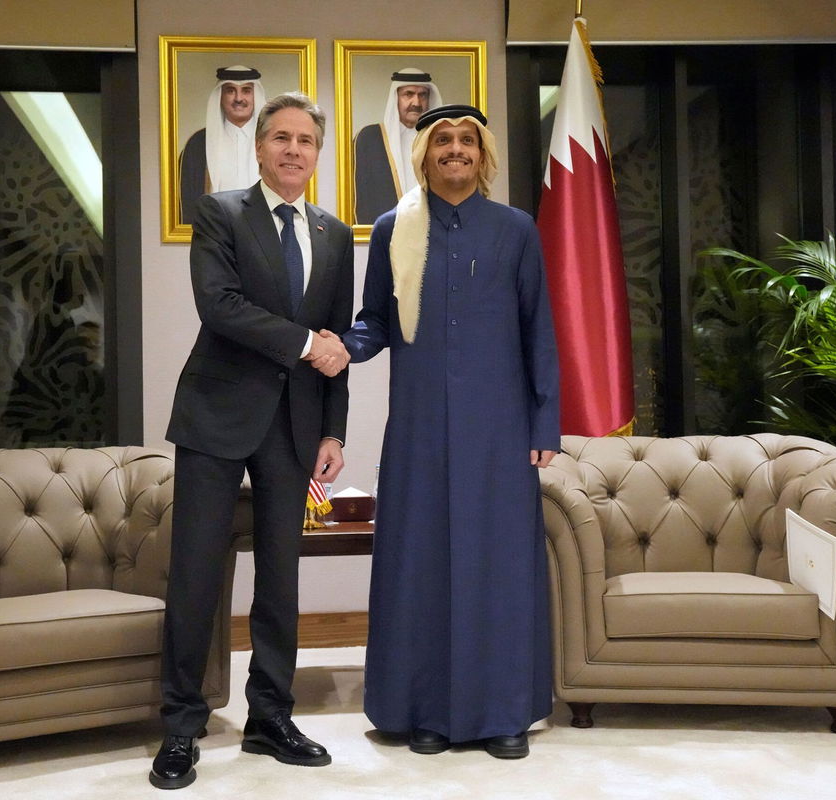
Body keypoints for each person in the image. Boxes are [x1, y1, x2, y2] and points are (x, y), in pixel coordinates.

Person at [342, 104, 560, 759]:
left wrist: (545, 420)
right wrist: (334, 347)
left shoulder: (516, 230)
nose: (456, 150)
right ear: (425, 155)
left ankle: (503, 715)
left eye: (467, 141)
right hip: (419, 432)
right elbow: (373, 321)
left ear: (483, 154)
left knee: (500, 568)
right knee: (423, 565)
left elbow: (538, 330)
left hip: (500, 429)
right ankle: (425, 711)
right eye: (444, 141)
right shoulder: (392, 230)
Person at [152, 92, 354, 791]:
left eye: (306, 140)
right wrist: (305, 343)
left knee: (281, 578)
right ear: (260, 147)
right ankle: (182, 725)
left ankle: (270, 716)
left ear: (316, 153)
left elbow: (337, 341)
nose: (294, 150)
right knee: (198, 575)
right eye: (281, 138)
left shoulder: (333, 233)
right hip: (216, 417)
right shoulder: (220, 212)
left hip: (295, 427)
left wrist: (334, 427)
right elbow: (221, 305)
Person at [178, 65, 267, 223]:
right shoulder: (198, 144)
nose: (238, 98)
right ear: (220, 96)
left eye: (246, 90)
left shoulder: (271, 142)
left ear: (256, 96)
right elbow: (188, 204)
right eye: (230, 90)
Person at [352, 69, 442, 224]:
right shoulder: (369, 138)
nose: (416, 103)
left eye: (423, 95)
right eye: (408, 94)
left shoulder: (441, 141)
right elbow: (361, 198)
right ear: (396, 98)